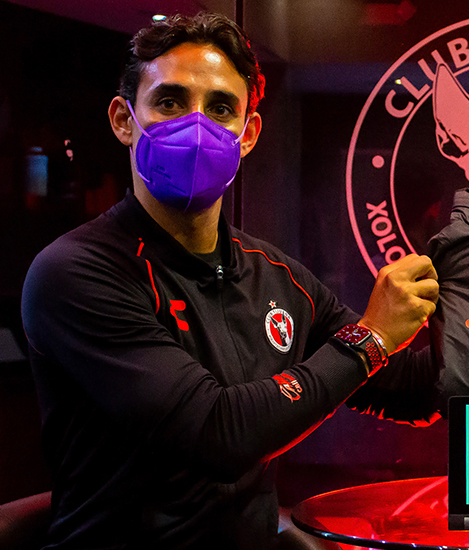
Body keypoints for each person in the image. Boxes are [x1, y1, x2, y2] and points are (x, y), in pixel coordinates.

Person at [20, 13, 440, 549]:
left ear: (247, 134)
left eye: (221, 108)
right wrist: (371, 338)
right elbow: (219, 435)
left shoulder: (273, 273)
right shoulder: (76, 273)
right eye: (170, 102)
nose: (197, 127)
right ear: (125, 121)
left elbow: (406, 389)